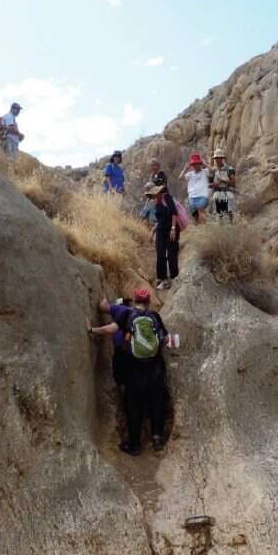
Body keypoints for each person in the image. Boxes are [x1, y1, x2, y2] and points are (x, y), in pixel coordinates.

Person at [89, 289, 169, 455]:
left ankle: (134, 445)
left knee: (134, 405)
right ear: (148, 302)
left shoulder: (127, 315)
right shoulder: (155, 316)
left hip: (134, 369)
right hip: (155, 368)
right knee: (157, 402)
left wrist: (92, 330)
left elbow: (110, 329)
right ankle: (157, 439)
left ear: (134, 300)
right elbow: (164, 339)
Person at [147, 184, 180, 290]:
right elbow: (160, 219)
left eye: (153, 194)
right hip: (161, 230)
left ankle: (174, 277)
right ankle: (162, 278)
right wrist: (153, 230)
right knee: (160, 253)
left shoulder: (166, 197)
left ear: (158, 192)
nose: (153, 197)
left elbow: (174, 213)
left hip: (171, 229)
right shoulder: (156, 202)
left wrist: (173, 228)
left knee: (171, 254)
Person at [179, 153, 210, 223]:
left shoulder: (205, 172)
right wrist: (185, 169)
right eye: (194, 164)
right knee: (194, 215)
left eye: (197, 164)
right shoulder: (190, 174)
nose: (195, 166)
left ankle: (204, 227)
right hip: (192, 197)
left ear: (200, 164)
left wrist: (205, 164)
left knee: (201, 210)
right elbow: (180, 177)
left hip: (203, 195)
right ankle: (198, 228)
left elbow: (212, 171)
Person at [208, 147, 237, 223]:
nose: (217, 159)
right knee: (217, 212)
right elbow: (209, 184)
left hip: (227, 192)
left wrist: (222, 181)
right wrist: (214, 185)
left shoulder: (229, 169)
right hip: (217, 192)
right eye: (216, 158)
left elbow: (233, 183)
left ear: (222, 158)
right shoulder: (213, 171)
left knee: (230, 210)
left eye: (219, 158)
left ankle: (231, 225)